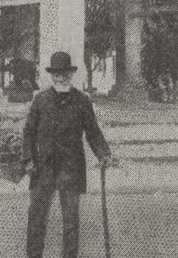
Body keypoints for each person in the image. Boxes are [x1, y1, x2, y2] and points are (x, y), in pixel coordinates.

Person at [22, 51, 112, 258]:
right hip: (43, 168)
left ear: (71, 74)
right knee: (36, 218)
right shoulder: (40, 101)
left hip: (71, 169)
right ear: (51, 75)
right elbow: (29, 132)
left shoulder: (82, 101)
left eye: (64, 73)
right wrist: (27, 158)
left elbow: (93, 132)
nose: (61, 77)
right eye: (56, 73)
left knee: (71, 222)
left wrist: (104, 154)